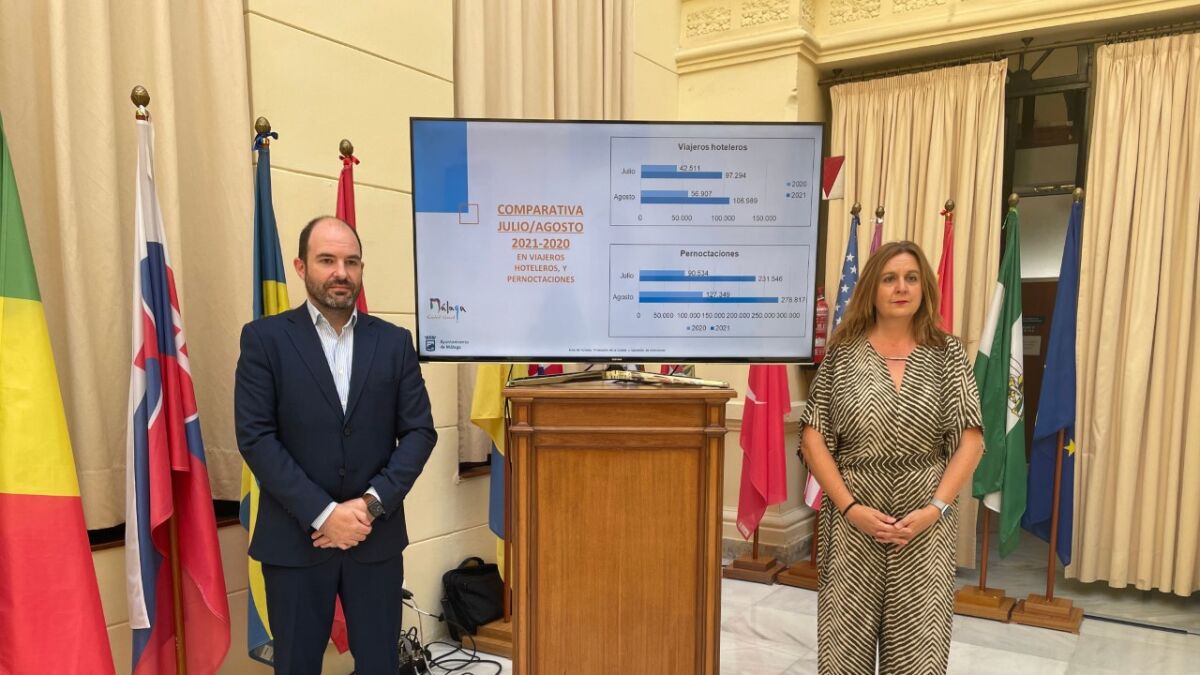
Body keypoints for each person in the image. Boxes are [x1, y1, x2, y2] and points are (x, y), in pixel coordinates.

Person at [235, 215, 436, 674]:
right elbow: (256, 437)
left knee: (379, 665)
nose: (341, 272)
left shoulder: (394, 342)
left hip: (374, 538)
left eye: (351, 261)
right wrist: (324, 514)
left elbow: (420, 432)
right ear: (300, 267)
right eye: (326, 260)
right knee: (297, 666)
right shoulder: (264, 340)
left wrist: (369, 506)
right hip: (295, 541)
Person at [799, 240, 984, 674]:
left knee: (919, 656)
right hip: (853, 522)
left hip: (925, 526)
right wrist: (851, 508)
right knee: (844, 655)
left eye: (911, 278)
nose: (901, 287)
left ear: (924, 288)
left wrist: (934, 509)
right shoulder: (843, 353)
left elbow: (971, 440)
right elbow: (812, 438)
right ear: (872, 289)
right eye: (890, 278)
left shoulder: (948, 354)